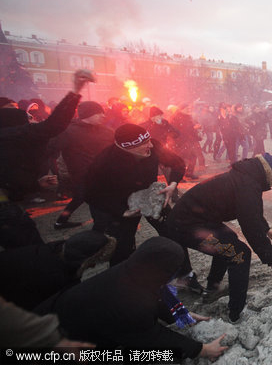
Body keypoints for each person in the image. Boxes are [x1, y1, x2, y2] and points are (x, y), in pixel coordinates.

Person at [35, 237, 228, 361]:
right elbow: (152, 336)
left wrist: (182, 314)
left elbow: (157, 293)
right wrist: (201, 350)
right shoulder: (128, 302)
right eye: (173, 269)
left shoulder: (134, 271)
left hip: (65, 319)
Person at [167, 153, 272, 323]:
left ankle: (212, 288)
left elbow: (252, 212)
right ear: (266, 177)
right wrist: (271, 259)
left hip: (196, 221)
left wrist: (267, 230)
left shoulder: (245, 177)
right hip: (187, 226)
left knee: (229, 238)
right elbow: (250, 224)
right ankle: (235, 312)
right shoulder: (247, 185)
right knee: (239, 254)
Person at [0, 70, 94, 249]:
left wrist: (36, 185)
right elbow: (53, 125)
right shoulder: (13, 134)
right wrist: (75, 91)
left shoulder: (11, 137)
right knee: (31, 252)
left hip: (9, 205)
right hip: (5, 212)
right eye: (13, 110)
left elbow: (10, 177)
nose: (24, 115)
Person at [84, 123, 186, 266]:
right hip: (123, 205)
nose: (150, 145)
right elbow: (90, 194)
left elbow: (178, 163)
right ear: (127, 147)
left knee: (173, 233)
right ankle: (123, 280)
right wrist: (121, 212)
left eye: (149, 140)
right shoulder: (104, 162)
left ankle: (185, 274)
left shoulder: (153, 145)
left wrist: (173, 184)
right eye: (144, 144)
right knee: (122, 248)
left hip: (152, 196)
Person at [0, 230, 115, 310]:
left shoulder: (56, 248)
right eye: (93, 263)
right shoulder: (55, 278)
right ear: (85, 261)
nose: (93, 266)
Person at [48, 101, 114, 229]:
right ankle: (100, 229)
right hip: (81, 174)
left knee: (81, 197)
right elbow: (50, 151)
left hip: (102, 173)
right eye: (99, 113)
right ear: (88, 114)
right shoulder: (68, 131)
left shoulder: (105, 130)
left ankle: (61, 221)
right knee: (91, 198)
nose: (103, 116)